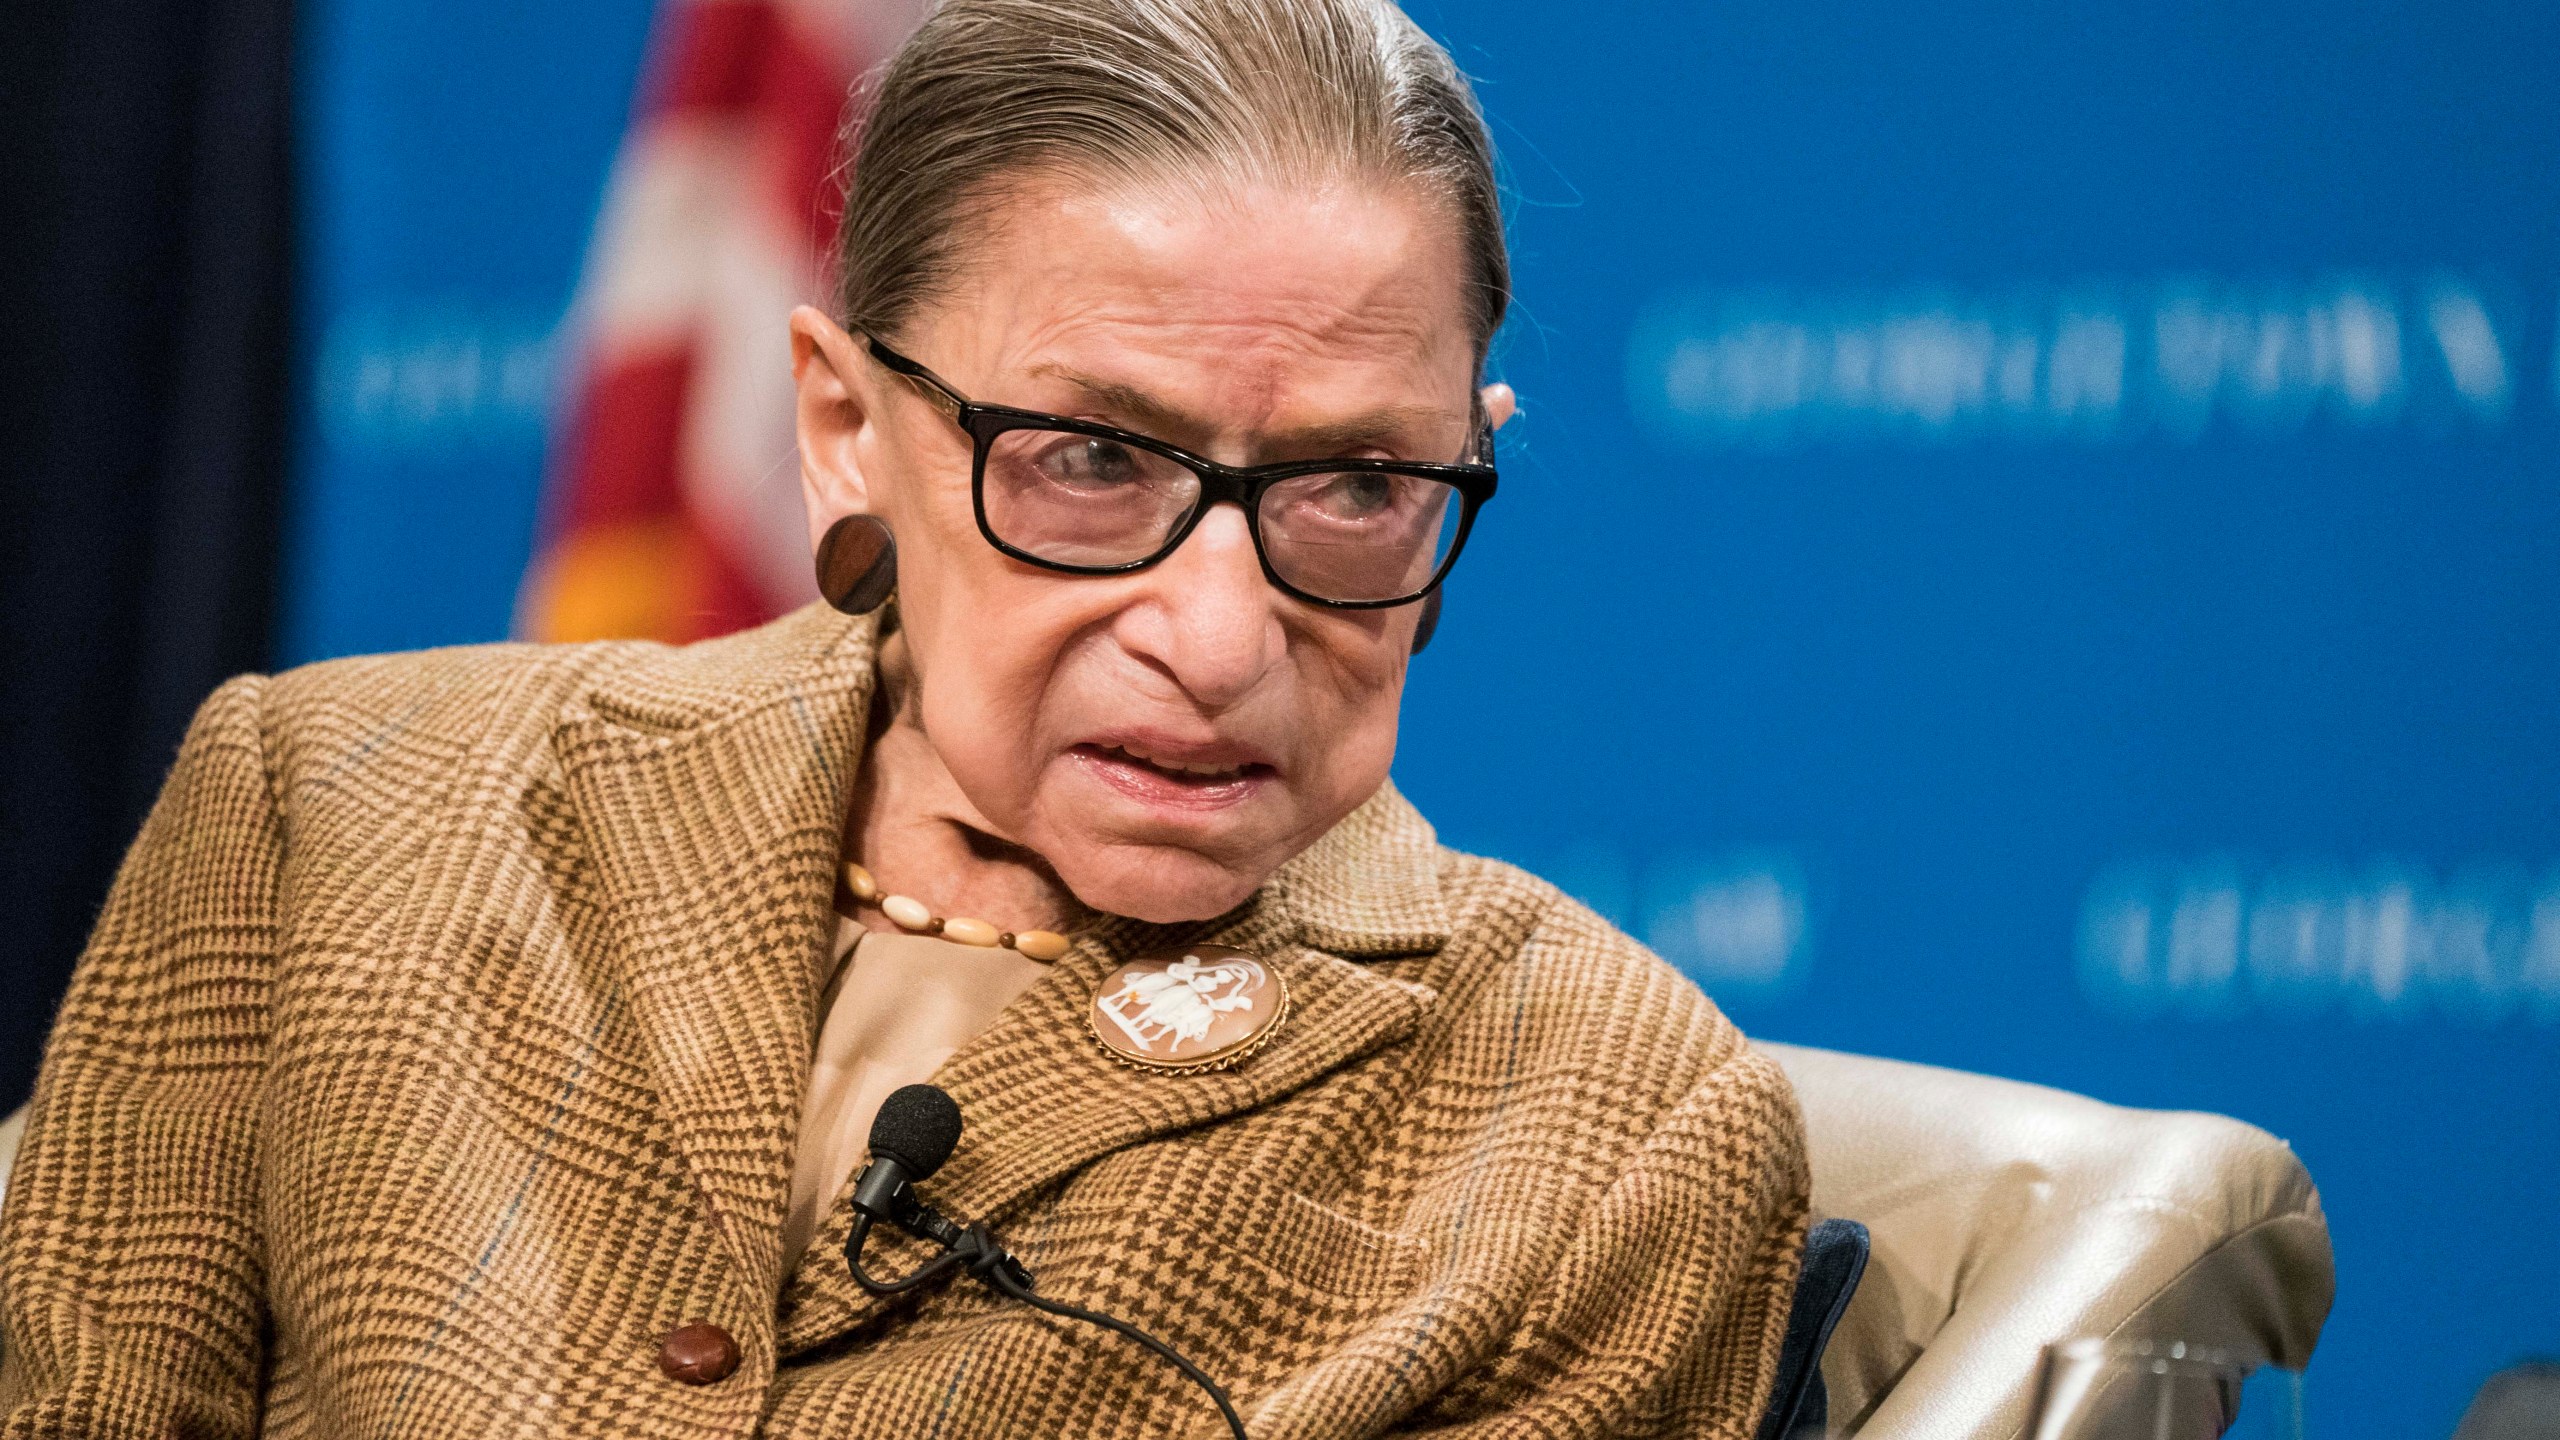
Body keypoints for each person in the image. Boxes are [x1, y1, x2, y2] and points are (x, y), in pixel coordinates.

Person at [0, 1, 1808, 1435]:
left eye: (1357, 487)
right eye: (1091, 461)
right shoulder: (345, 810)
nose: (1219, 637)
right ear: (845, 426)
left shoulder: (1608, 1142)